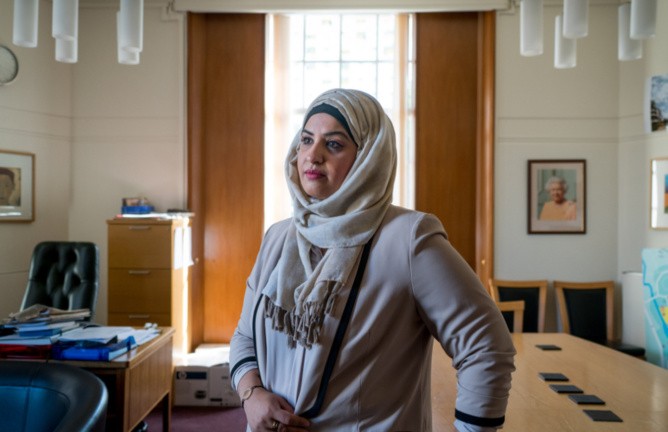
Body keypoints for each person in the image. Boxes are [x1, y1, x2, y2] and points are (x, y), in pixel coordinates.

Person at [230, 88, 515, 432]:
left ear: (368, 157)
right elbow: (245, 335)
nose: (312, 155)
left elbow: (486, 346)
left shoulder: (408, 238)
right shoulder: (279, 238)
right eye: (306, 140)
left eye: (333, 144)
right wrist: (252, 395)